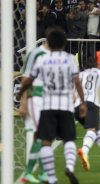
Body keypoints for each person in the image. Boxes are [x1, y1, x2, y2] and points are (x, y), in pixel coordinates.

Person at [18, 27, 87, 184]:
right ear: (63, 43)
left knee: (43, 139)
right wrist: (23, 101)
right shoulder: (63, 57)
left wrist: (19, 93)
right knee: (60, 138)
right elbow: (76, 81)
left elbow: (28, 79)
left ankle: (46, 175)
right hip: (49, 101)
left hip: (47, 103)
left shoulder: (45, 58)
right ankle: (39, 172)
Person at [19, 39, 50, 184]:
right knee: (42, 134)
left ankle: (33, 173)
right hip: (35, 97)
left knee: (40, 136)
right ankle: (34, 172)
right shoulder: (36, 54)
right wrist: (23, 102)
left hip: (46, 99)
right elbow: (25, 78)